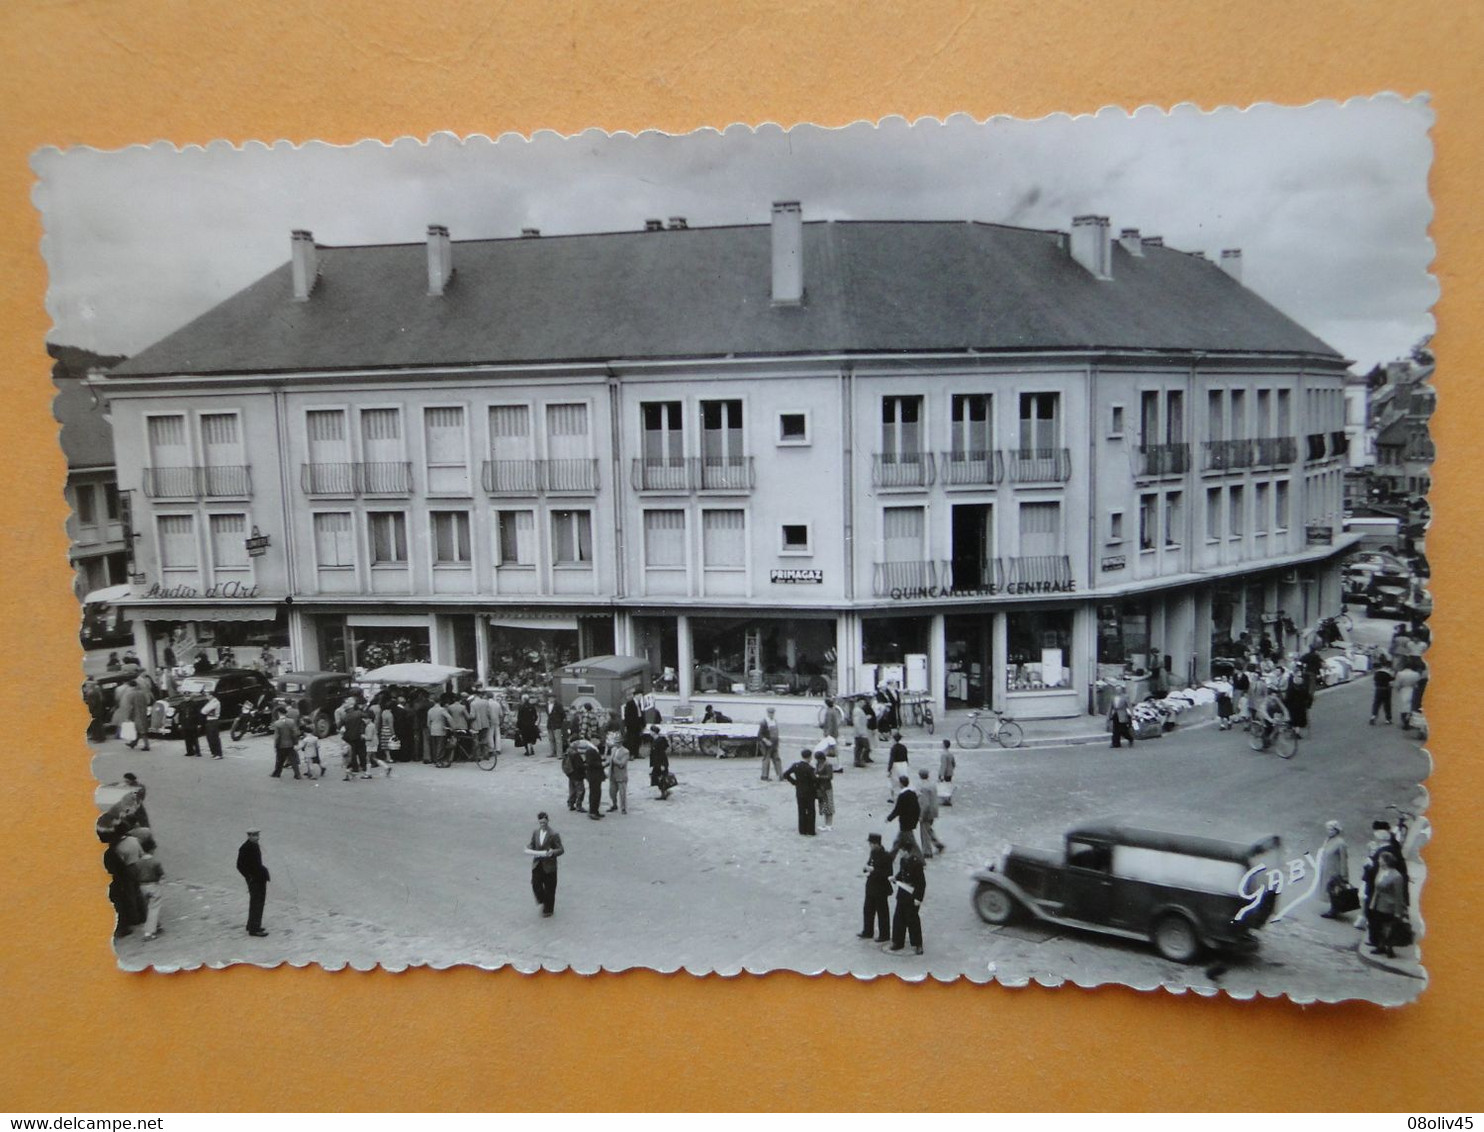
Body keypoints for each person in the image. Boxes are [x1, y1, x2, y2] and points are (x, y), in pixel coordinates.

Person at [103, 831, 145, 939]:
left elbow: (120, 863)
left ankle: (133, 917)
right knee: (139, 891)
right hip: (138, 866)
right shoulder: (134, 840)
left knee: (130, 894)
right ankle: (143, 914)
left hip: (127, 870)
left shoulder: (117, 848)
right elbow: (142, 853)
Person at [889, 840, 927, 955]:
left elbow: (921, 883)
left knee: (913, 920)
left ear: (906, 852)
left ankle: (917, 944)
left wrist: (918, 898)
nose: (900, 853)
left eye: (901, 851)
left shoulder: (916, 864)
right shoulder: (903, 861)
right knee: (899, 919)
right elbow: (902, 873)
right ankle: (898, 942)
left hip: (912, 895)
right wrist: (895, 878)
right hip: (902, 894)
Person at [1368, 850, 1408, 958]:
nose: (1378, 860)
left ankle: (1389, 948)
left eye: (1380, 859)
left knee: (1388, 929)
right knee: (1379, 927)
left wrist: (1398, 912)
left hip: (1388, 907)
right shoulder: (1381, 871)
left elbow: (1399, 896)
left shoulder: (1397, 876)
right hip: (1377, 904)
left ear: (1386, 861)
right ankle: (1381, 946)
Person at [525, 812, 565, 917]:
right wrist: (528, 848)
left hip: (549, 865)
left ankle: (548, 910)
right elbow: (532, 844)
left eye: (544, 822)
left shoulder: (554, 834)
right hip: (538, 863)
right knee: (535, 884)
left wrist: (553, 852)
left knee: (550, 888)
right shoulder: (536, 832)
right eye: (540, 822)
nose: (542, 824)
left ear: (547, 820)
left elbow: (561, 849)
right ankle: (542, 899)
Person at [858, 833, 893, 942]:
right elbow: (870, 863)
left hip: (881, 888)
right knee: (868, 910)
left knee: (882, 912)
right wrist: (866, 868)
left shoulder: (886, 856)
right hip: (871, 886)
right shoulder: (873, 853)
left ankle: (884, 934)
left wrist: (874, 871)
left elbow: (888, 873)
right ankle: (868, 931)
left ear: (877, 844)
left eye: (871, 843)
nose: (870, 845)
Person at [236, 829, 271, 937]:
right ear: (249, 836)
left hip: (258, 878)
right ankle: (254, 929)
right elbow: (239, 865)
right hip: (255, 879)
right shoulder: (246, 848)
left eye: (257, 835)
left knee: (257, 902)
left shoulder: (253, 845)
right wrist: (249, 877)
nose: (257, 837)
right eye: (255, 835)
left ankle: (252, 925)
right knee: (257, 903)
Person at [1317, 820, 1352, 919]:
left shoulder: (1341, 843)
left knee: (1334, 890)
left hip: (1335, 871)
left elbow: (1344, 860)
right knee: (1329, 889)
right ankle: (1334, 909)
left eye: (1331, 829)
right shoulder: (1328, 839)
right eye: (1328, 829)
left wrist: (1344, 875)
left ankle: (1334, 910)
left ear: (1336, 830)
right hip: (1327, 869)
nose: (1329, 831)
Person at [132, 845, 165, 940]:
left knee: (148, 907)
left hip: (142, 886)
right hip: (153, 885)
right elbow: (161, 874)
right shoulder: (155, 862)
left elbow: (135, 874)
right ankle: (149, 933)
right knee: (154, 908)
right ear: (151, 850)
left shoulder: (137, 863)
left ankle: (157, 925)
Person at [782, 749, 818, 836]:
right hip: (809, 792)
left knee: (801, 810)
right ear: (809, 757)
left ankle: (802, 830)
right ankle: (810, 830)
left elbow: (785, 774)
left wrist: (794, 782)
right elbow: (814, 780)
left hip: (800, 791)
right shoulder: (810, 768)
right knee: (811, 811)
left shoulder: (796, 765)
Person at [885, 773, 921, 856]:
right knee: (898, 842)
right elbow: (917, 808)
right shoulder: (912, 794)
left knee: (911, 843)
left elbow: (897, 810)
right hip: (910, 822)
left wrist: (889, 818)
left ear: (901, 783)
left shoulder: (902, 796)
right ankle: (890, 857)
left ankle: (920, 859)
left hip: (905, 823)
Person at [916, 767, 945, 858]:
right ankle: (938, 844)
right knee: (928, 829)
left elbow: (925, 803)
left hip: (927, 812)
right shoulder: (932, 785)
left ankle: (927, 852)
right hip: (933, 811)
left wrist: (921, 815)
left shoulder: (923, 788)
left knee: (924, 832)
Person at [269, 705, 302, 779]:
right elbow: (295, 733)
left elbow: (277, 737)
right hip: (290, 744)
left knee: (279, 760)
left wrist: (275, 746)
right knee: (293, 760)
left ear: (279, 713)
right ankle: (297, 774)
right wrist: (295, 743)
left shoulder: (277, 723)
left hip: (281, 745)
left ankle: (277, 773)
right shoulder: (291, 721)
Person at [1252, 682, 1289, 747]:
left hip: (1271, 714)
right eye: (1273, 695)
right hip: (1262, 715)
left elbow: (1283, 708)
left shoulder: (1276, 699)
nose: (1275, 697)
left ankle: (1272, 736)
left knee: (1276, 725)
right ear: (1269, 695)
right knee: (1267, 728)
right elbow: (1263, 712)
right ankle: (1264, 741)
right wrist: (1270, 720)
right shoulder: (1265, 701)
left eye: (1276, 695)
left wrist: (1287, 715)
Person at [605, 731, 630, 815]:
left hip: (621, 775)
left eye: (617, 742)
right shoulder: (613, 749)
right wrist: (604, 765)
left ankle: (623, 808)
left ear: (620, 743)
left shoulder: (626, 751)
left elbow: (622, 764)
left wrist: (614, 760)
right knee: (612, 792)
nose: (615, 744)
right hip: (612, 774)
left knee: (622, 793)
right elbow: (609, 761)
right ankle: (614, 804)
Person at [470, 690, 497, 767]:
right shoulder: (485, 702)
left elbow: (473, 716)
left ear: (475, 696)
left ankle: (478, 756)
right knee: (484, 739)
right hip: (485, 723)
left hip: (476, 724)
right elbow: (488, 713)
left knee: (476, 740)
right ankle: (486, 755)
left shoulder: (473, 703)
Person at [813, 750, 837, 832]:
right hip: (820, 788)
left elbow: (830, 776)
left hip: (827, 787)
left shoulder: (828, 765)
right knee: (823, 806)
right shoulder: (818, 764)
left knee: (829, 805)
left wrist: (819, 776)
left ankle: (829, 824)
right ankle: (826, 824)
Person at [563, 740, 590, 813]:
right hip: (577, 775)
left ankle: (571, 804)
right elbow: (579, 766)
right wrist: (586, 765)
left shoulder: (568, 752)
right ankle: (579, 805)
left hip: (571, 774)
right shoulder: (576, 754)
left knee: (572, 790)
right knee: (581, 791)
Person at [582, 740, 606, 820]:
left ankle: (595, 810)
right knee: (594, 794)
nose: (599, 741)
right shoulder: (590, 750)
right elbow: (591, 763)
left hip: (595, 775)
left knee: (597, 793)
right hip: (594, 775)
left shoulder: (594, 749)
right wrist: (601, 764)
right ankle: (593, 811)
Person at [757, 706, 783, 781]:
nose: (771, 714)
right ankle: (764, 776)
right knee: (766, 759)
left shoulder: (775, 721)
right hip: (766, 744)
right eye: (770, 713)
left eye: (772, 713)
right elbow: (760, 734)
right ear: (767, 713)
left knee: (777, 758)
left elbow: (776, 732)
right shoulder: (764, 722)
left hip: (774, 743)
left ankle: (780, 775)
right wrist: (766, 741)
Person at [648, 725, 673, 800]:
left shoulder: (660, 740)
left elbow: (662, 753)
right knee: (656, 777)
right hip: (656, 763)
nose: (650, 732)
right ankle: (664, 792)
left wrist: (662, 764)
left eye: (651, 731)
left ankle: (665, 792)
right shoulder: (654, 740)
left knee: (661, 778)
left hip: (661, 762)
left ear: (654, 732)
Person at [426, 694, 452, 765]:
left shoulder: (430, 710)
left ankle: (435, 759)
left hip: (433, 730)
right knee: (440, 746)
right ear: (440, 701)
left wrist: (430, 729)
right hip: (441, 729)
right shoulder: (442, 710)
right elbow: (449, 718)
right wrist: (450, 726)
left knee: (434, 746)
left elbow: (428, 723)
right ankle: (439, 760)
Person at [1369, 660, 1394, 725]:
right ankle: (1388, 719)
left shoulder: (1377, 673)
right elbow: (1391, 683)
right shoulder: (1389, 673)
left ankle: (1373, 716)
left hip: (1378, 690)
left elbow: (1375, 681)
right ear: (1389, 666)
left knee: (1376, 704)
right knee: (1387, 705)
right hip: (1386, 690)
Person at [82, 677, 107, 742]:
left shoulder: (92, 693)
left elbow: (92, 703)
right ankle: (99, 737)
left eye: (87, 685)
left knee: (96, 725)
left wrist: (88, 709)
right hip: (98, 711)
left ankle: (98, 738)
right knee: (98, 724)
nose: (86, 687)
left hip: (94, 712)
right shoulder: (95, 692)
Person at [886, 732, 909, 800]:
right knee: (903, 779)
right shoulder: (903, 747)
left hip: (896, 765)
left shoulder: (894, 748)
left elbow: (891, 759)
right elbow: (906, 757)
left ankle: (892, 797)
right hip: (904, 764)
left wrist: (889, 769)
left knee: (893, 781)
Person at [851, 698, 872, 768]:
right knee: (866, 747)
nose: (863, 704)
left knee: (858, 748)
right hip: (861, 733)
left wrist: (866, 718)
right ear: (859, 702)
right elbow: (856, 721)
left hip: (860, 732)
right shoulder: (857, 710)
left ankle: (857, 761)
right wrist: (860, 731)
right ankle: (860, 760)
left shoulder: (859, 710)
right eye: (863, 703)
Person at [623, 689, 645, 756]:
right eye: (640, 695)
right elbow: (626, 715)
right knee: (631, 740)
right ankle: (631, 754)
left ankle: (636, 753)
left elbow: (640, 714)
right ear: (636, 696)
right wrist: (626, 725)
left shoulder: (639, 704)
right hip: (631, 725)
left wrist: (643, 724)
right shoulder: (630, 703)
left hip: (638, 725)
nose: (641, 697)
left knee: (637, 739)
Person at [546, 695, 566, 759]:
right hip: (550, 724)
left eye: (552, 698)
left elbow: (563, 714)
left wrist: (559, 721)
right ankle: (552, 752)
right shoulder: (547, 705)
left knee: (558, 740)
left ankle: (559, 754)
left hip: (557, 724)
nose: (551, 699)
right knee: (551, 739)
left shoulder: (558, 705)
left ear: (554, 698)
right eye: (549, 698)